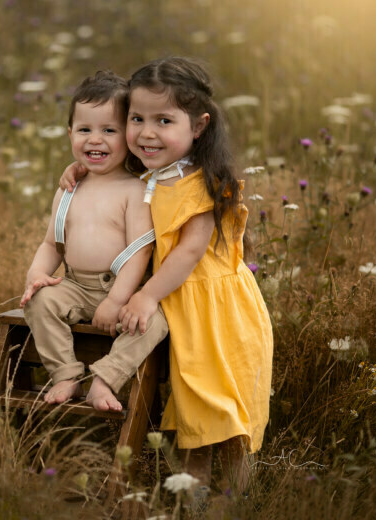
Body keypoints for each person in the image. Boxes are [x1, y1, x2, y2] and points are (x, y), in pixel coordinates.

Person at [59, 57, 273, 495]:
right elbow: (113, 181)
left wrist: (145, 296)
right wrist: (83, 170)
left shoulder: (203, 183)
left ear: (198, 126)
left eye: (164, 120)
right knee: (191, 414)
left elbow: (190, 252)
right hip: (177, 305)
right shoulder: (152, 175)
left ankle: (229, 503)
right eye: (136, 119)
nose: (147, 132)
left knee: (219, 412)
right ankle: (191, 501)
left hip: (216, 311)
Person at [20, 71, 169, 413]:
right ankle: (66, 375)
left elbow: (140, 251)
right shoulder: (69, 187)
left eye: (109, 131)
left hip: (120, 287)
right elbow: (51, 244)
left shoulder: (134, 190)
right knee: (39, 301)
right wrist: (37, 275)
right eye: (85, 130)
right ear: (70, 133)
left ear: (128, 136)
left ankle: (104, 380)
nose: (95, 140)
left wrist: (117, 300)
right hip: (73, 284)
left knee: (154, 322)